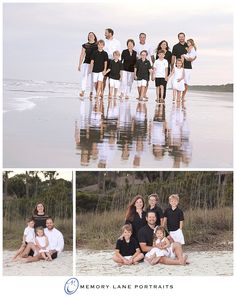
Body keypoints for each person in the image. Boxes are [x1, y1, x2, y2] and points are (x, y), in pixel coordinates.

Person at [171, 32, 197, 99]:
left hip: (188, 67)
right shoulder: (175, 46)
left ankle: (183, 96)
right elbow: (173, 57)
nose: (181, 38)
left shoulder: (188, 44)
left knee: (186, 82)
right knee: (178, 81)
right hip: (179, 67)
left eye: (182, 37)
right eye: (180, 37)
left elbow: (194, 55)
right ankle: (178, 97)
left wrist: (192, 59)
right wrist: (172, 66)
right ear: (178, 38)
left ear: (184, 37)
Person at [78, 32, 98, 98]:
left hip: (94, 64)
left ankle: (91, 92)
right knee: (84, 77)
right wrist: (79, 64)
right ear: (88, 37)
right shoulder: (85, 45)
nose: (91, 36)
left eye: (92, 35)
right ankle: (83, 91)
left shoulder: (97, 45)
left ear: (94, 37)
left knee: (93, 79)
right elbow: (82, 55)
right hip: (86, 63)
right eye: (89, 35)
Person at [135, 33, 155, 99]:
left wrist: (153, 64)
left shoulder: (149, 45)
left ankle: (144, 94)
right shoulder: (136, 46)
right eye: (141, 37)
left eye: (143, 37)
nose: (142, 38)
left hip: (147, 64)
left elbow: (152, 56)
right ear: (139, 38)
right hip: (139, 65)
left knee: (146, 80)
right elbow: (136, 57)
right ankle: (140, 94)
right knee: (139, 81)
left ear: (145, 38)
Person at [103, 28, 121, 95]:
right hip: (105, 61)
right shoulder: (104, 41)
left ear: (110, 33)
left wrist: (119, 63)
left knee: (111, 79)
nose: (105, 34)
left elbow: (119, 52)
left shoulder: (117, 42)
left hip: (113, 61)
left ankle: (110, 93)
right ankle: (102, 92)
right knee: (104, 77)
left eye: (106, 33)